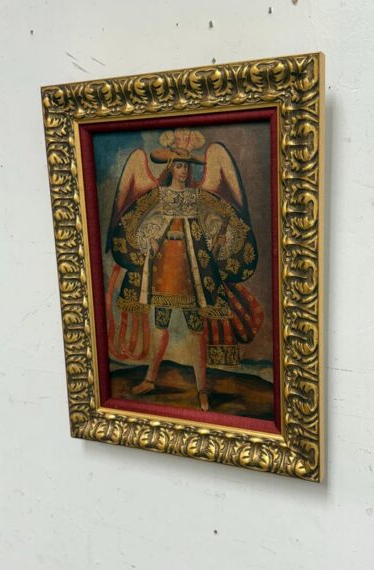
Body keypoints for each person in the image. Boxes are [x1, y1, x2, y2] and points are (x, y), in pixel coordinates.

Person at [106, 130, 262, 411]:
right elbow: (145, 221)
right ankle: (150, 379)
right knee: (160, 323)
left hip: (192, 270)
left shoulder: (196, 196)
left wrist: (216, 233)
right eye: (179, 165)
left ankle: (202, 388)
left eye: (186, 166)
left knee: (195, 327)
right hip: (164, 267)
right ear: (170, 168)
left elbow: (212, 219)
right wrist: (150, 238)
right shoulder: (160, 195)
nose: (183, 170)